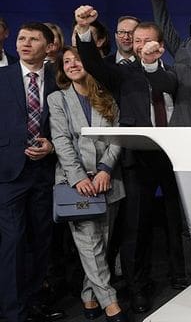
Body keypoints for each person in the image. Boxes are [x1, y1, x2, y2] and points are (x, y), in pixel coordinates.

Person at [73, 5, 186, 313]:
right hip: (137, 158)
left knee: (175, 220)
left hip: (174, 156)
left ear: (160, 45)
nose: (141, 46)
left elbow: (165, 86)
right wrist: (83, 31)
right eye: (137, 41)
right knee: (135, 226)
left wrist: (151, 64)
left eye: (148, 40)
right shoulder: (122, 73)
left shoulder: (174, 72)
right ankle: (137, 288)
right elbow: (93, 64)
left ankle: (180, 275)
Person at [48, 46, 127, 322]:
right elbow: (61, 140)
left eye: (77, 59)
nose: (72, 65)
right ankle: (110, 301)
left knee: (100, 243)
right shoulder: (57, 99)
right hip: (76, 183)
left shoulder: (108, 97)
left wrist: (105, 169)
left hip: (108, 181)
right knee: (90, 243)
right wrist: (79, 176)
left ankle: (88, 294)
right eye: (66, 62)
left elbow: (118, 136)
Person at [0, 22, 64, 322]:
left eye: (33, 39)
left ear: (49, 46)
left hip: (45, 172)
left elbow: (67, 122)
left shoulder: (58, 79)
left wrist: (52, 145)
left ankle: (34, 301)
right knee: (13, 240)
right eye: (21, 38)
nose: (25, 43)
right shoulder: (2, 77)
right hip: (8, 173)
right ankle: (13, 312)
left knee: (41, 240)